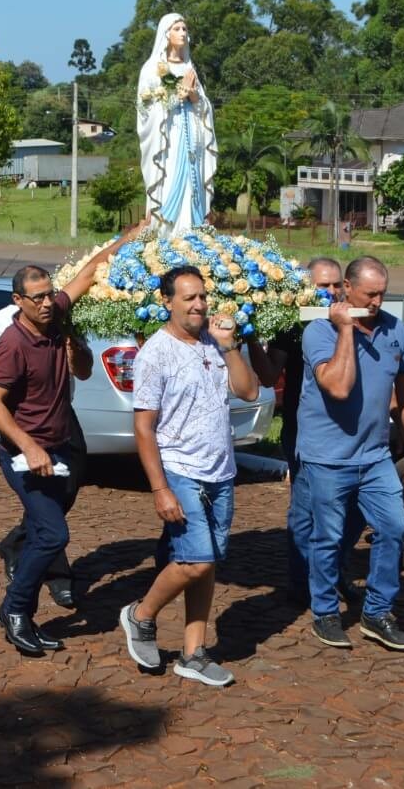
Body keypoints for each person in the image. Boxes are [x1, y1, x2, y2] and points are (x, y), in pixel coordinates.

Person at [0, 235, 134, 657]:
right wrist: (29, 448)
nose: (47, 303)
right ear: (19, 301)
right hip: (24, 456)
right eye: (37, 298)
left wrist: (132, 236)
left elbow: (88, 273)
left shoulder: (56, 316)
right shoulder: (12, 346)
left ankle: (18, 609)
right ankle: (15, 613)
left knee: (41, 533)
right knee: (52, 535)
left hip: (62, 449)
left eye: (49, 294)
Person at [119, 265, 259, 688]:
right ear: (167, 302)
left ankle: (193, 652)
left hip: (221, 470)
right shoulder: (155, 354)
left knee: (207, 563)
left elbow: (249, 391)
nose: (199, 304)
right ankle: (140, 615)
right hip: (180, 469)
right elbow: (144, 427)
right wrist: (160, 488)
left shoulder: (215, 345)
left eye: (202, 296)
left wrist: (230, 346)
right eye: (188, 298)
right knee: (196, 558)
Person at [298, 256, 404, 652]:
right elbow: (337, 386)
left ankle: (377, 612)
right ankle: (325, 614)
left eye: (383, 293)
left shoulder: (394, 330)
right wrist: (346, 331)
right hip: (327, 457)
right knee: (330, 538)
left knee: (393, 527)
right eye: (370, 293)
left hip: (374, 456)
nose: (377, 301)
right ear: (346, 289)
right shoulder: (319, 332)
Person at [247, 256, 363, 609]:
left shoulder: (356, 322)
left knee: (359, 506)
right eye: (322, 285)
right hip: (304, 430)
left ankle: (334, 570)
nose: (331, 291)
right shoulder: (293, 326)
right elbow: (268, 376)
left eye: (336, 284)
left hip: (351, 428)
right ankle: (302, 584)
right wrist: (249, 336)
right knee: (306, 510)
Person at [136, 13, 217, 233]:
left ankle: (192, 230)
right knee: (171, 177)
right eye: (177, 29)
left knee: (193, 180)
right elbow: (144, 109)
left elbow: (204, 107)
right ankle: (167, 233)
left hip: (193, 134)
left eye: (185, 29)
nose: (182, 33)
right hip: (168, 138)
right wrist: (176, 96)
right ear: (166, 34)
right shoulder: (152, 68)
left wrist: (193, 96)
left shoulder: (189, 68)